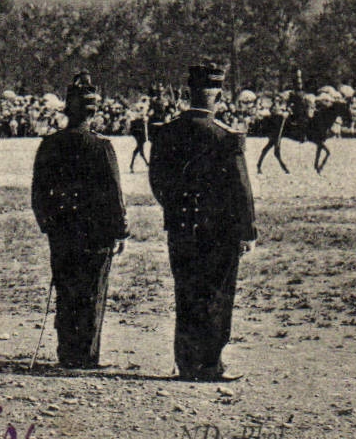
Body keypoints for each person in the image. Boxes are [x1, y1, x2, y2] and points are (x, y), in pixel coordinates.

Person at [148, 62, 256, 382]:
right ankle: (209, 364)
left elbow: (157, 181)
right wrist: (247, 230)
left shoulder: (166, 133)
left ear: (186, 94)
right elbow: (241, 189)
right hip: (219, 230)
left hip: (180, 226)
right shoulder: (226, 137)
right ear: (219, 97)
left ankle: (186, 362)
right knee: (217, 294)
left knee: (186, 292)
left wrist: (177, 208)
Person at [31, 72, 128, 369]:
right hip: (95, 234)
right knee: (91, 293)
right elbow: (114, 193)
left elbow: (38, 193)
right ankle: (85, 354)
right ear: (93, 112)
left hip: (61, 231)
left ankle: (66, 352)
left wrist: (47, 224)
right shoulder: (101, 146)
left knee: (66, 289)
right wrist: (120, 231)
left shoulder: (49, 144)